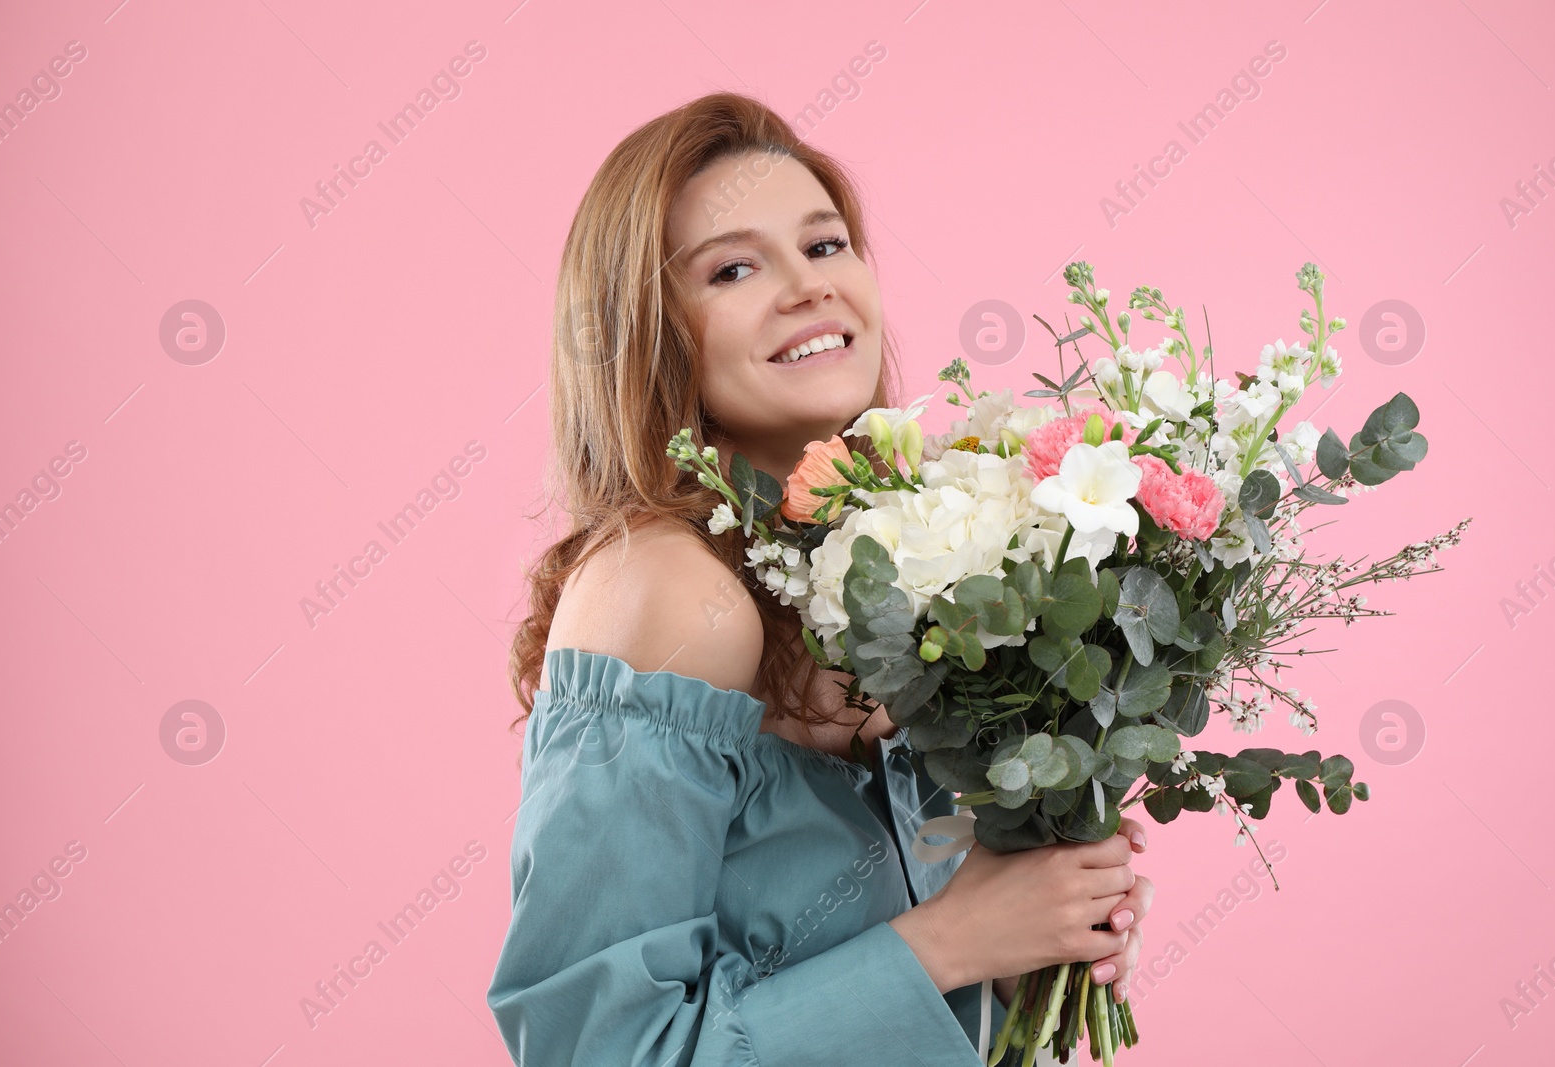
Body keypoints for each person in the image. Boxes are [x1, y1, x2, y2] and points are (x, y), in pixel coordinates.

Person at [486, 91, 1154, 1066]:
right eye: (734, 267)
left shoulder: (906, 560)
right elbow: (593, 1046)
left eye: (826, 245)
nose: (807, 286)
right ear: (650, 331)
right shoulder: (671, 589)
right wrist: (960, 935)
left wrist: (1033, 944)